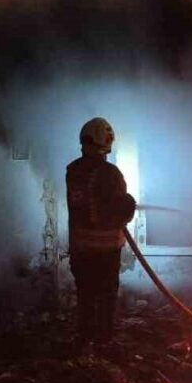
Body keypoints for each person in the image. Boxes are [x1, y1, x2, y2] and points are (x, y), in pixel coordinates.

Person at [66, 117, 136, 347]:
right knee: (106, 299)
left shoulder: (73, 171)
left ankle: (84, 339)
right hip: (107, 253)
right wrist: (128, 204)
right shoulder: (112, 174)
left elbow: (82, 207)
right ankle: (104, 341)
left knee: (85, 297)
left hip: (80, 251)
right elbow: (121, 211)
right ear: (106, 144)